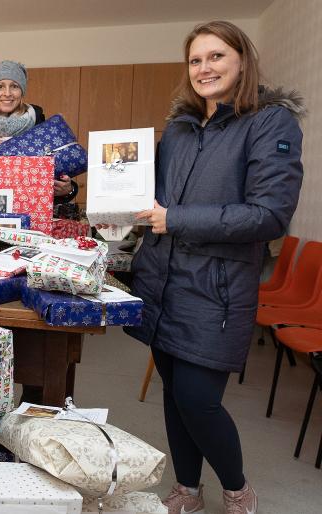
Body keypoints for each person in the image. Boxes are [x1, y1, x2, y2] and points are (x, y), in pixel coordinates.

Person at [124, 21, 304, 514]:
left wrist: (174, 219)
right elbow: (148, 197)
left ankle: (238, 490)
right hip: (161, 283)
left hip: (217, 290)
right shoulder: (180, 127)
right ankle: (187, 491)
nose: (205, 68)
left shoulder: (270, 123)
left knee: (199, 400)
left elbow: (269, 215)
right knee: (174, 398)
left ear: (242, 60)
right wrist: (108, 202)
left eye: (217, 56)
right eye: (196, 60)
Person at [0, 60, 78, 203]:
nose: (7, 93)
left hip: (31, 217)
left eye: (14, 86)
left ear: (22, 91)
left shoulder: (41, 129)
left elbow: (60, 179)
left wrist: (68, 190)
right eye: (0, 86)